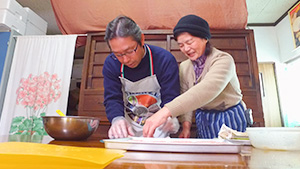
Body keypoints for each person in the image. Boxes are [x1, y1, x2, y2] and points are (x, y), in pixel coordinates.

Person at [143, 14, 248, 139]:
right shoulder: (185, 66)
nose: (186, 48)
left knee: (233, 156)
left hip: (229, 115)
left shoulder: (223, 60)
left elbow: (207, 89)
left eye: (189, 42)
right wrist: (186, 128)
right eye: (181, 45)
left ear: (204, 38)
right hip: (204, 118)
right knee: (206, 156)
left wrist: (164, 112)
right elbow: (187, 96)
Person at [103, 15, 180, 139]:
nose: (126, 59)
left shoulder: (164, 60)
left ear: (141, 39)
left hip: (158, 129)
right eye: (118, 54)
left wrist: (171, 117)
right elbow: (112, 98)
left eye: (129, 51)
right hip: (127, 130)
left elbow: (171, 97)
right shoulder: (112, 63)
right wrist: (116, 119)